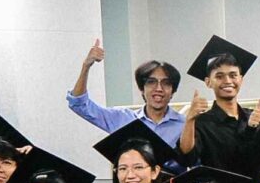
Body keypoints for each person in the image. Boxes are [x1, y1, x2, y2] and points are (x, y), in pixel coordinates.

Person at [65, 40, 188, 170]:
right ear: (142, 89)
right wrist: (86, 66)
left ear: (173, 91)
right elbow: (79, 105)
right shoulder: (122, 118)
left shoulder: (185, 125)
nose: (159, 88)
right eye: (151, 82)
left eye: (166, 83)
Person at [176, 35, 260, 183]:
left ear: (241, 79)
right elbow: (186, 157)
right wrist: (189, 120)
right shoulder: (202, 123)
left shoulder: (256, 118)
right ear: (208, 82)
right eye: (219, 76)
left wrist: (253, 128)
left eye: (233, 75)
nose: (228, 81)